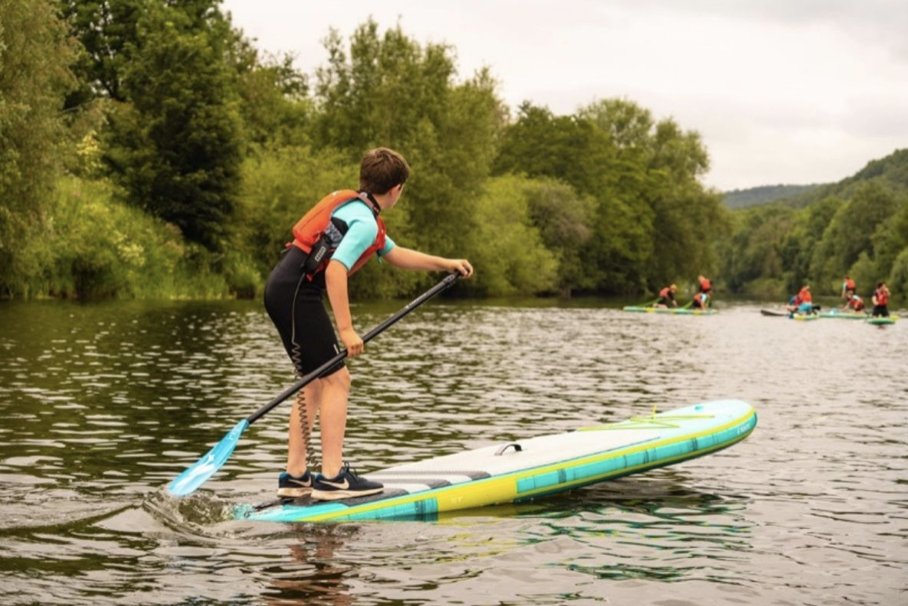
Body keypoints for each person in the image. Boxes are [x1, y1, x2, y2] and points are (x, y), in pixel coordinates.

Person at [263, 147, 474, 501]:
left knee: (315, 381)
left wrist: (446, 263)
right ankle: (332, 477)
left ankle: (296, 474)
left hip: (283, 288)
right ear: (396, 189)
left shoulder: (356, 210)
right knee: (338, 379)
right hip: (298, 294)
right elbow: (335, 269)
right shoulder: (363, 221)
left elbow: (393, 253)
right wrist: (346, 330)